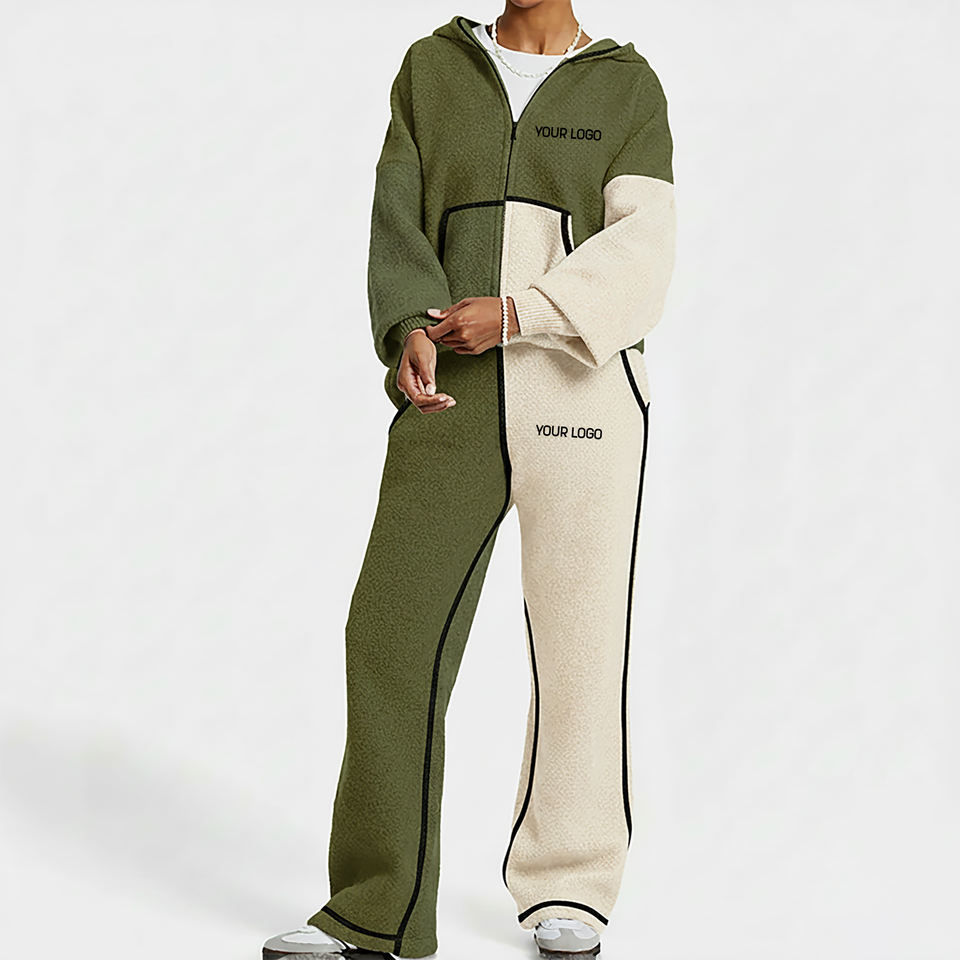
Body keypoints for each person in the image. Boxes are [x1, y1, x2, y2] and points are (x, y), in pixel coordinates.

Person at [263, 3, 675, 958]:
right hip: (449, 391)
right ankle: (376, 908)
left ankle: (570, 888)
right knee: (389, 634)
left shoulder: (627, 87)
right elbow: (396, 215)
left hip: (583, 394)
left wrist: (523, 312)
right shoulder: (432, 68)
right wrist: (409, 320)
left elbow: (645, 255)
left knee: (579, 646)